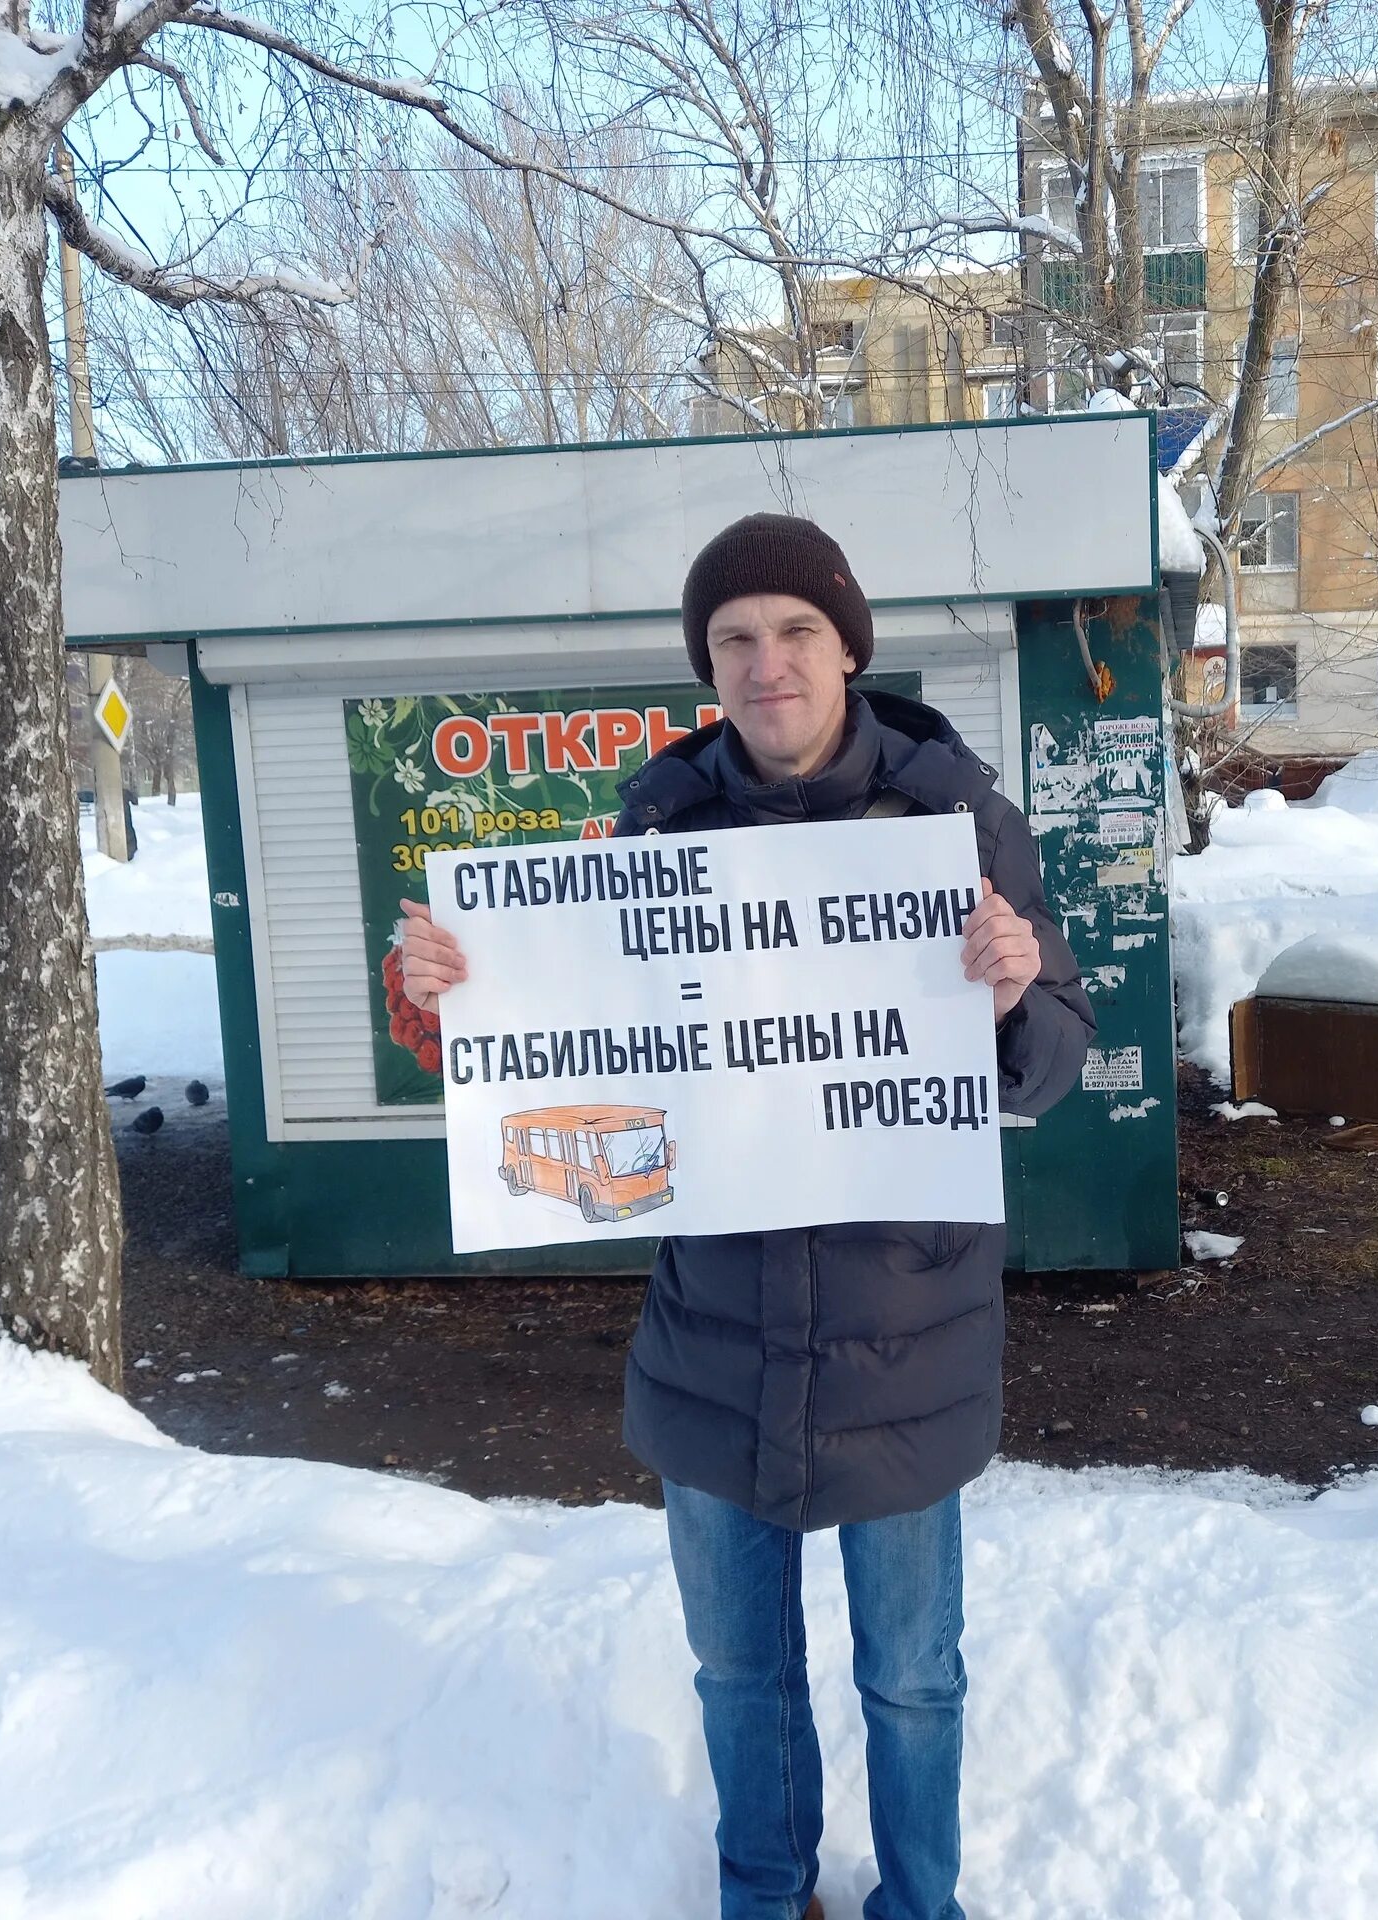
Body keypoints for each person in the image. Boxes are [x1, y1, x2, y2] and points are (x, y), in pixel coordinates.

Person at [401, 511, 1092, 1920]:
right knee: (739, 1672)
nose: (766, 663)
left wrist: (1018, 990)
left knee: (910, 1675)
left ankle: (922, 1904)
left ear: (847, 645)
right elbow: (560, 1032)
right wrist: (442, 993)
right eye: (733, 639)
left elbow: (1054, 1062)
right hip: (714, 1339)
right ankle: (763, 1897)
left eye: (793, 631)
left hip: (908, 1335)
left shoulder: (957, 821)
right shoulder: (655, 824)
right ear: (706, 664)